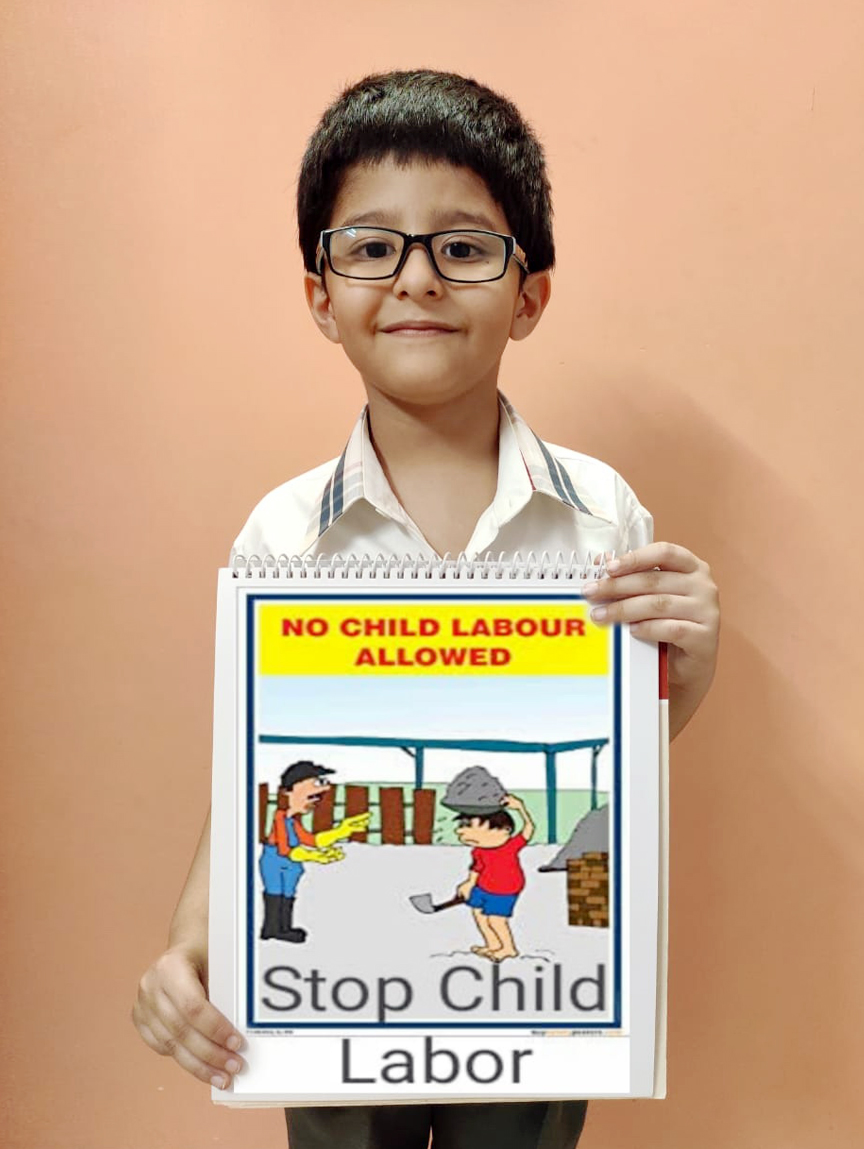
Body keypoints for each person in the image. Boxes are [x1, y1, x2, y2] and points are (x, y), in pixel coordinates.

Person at [133, 69, 720, 1149]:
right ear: (321, 294)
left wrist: (692, 661)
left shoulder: (603, 517)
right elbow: (260, 778)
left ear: (528, 293)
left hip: (537, 1005)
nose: (415, 279)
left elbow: (614, 759)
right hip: (337, 1006)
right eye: (370, 246)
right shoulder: (282, 537)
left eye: (462, 246)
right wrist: (189, 944)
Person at [259, 760, 371, 943]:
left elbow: (313, 840)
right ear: (288, 791)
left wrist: (342, 830)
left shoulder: (294, 822)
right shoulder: (280, 818)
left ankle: (284, 928)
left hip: (292, 865)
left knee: (288, 895)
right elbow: (285, 849)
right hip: (275, 863)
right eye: (311, 797)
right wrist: (313, 856)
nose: (314, 802)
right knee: (275, 894)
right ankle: (271, 929)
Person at [455, 794, 535, 962]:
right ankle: (493, 945)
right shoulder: (478, 850)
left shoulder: (510, 846)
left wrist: (521, 808)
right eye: (464, 826)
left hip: (504, 889)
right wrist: (469, 883)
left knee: (496, 920)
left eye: (471, 826)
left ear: (503, 830)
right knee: (479, 916)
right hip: (482, 886)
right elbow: (477, 868)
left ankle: (508, 948)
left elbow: (529, 829)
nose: (460, 831)